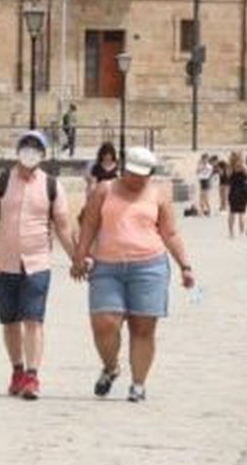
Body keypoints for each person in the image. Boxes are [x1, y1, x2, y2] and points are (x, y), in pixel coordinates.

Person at [71, 146, 195, 404]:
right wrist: (80, 256)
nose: (136, 179)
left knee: (143, 327)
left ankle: (138, 384)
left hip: (149, 266)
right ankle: (111, 366)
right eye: (132, 173)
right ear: (124, 169)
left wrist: (185, 265)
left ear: (150, 173)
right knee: (104, 323)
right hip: (107, 266)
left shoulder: (158, 195)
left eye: (142, 175)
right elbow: (89, 225)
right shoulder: (105, 190)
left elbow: (169, 233)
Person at [0, 131, 77, 400]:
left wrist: (77, 259)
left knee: (33, 320)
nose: (30, 152)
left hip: (38, 263)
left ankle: (32, 376)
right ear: (18, 150)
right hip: (3, 263)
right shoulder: (0, 182)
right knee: (10, 322)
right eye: (26, 146)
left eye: (36, 148)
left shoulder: (52, 186)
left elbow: (64, 229)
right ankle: (17, 370)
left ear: (43, 154)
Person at [226, 150, 247, 239]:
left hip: (233, 191)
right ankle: (241, 232)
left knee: (232, 212)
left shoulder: (230, 167)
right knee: (242, 213)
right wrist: (242, 162)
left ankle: (231, 233)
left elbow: (228, 176)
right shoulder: (243, 166)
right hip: (242, 190)